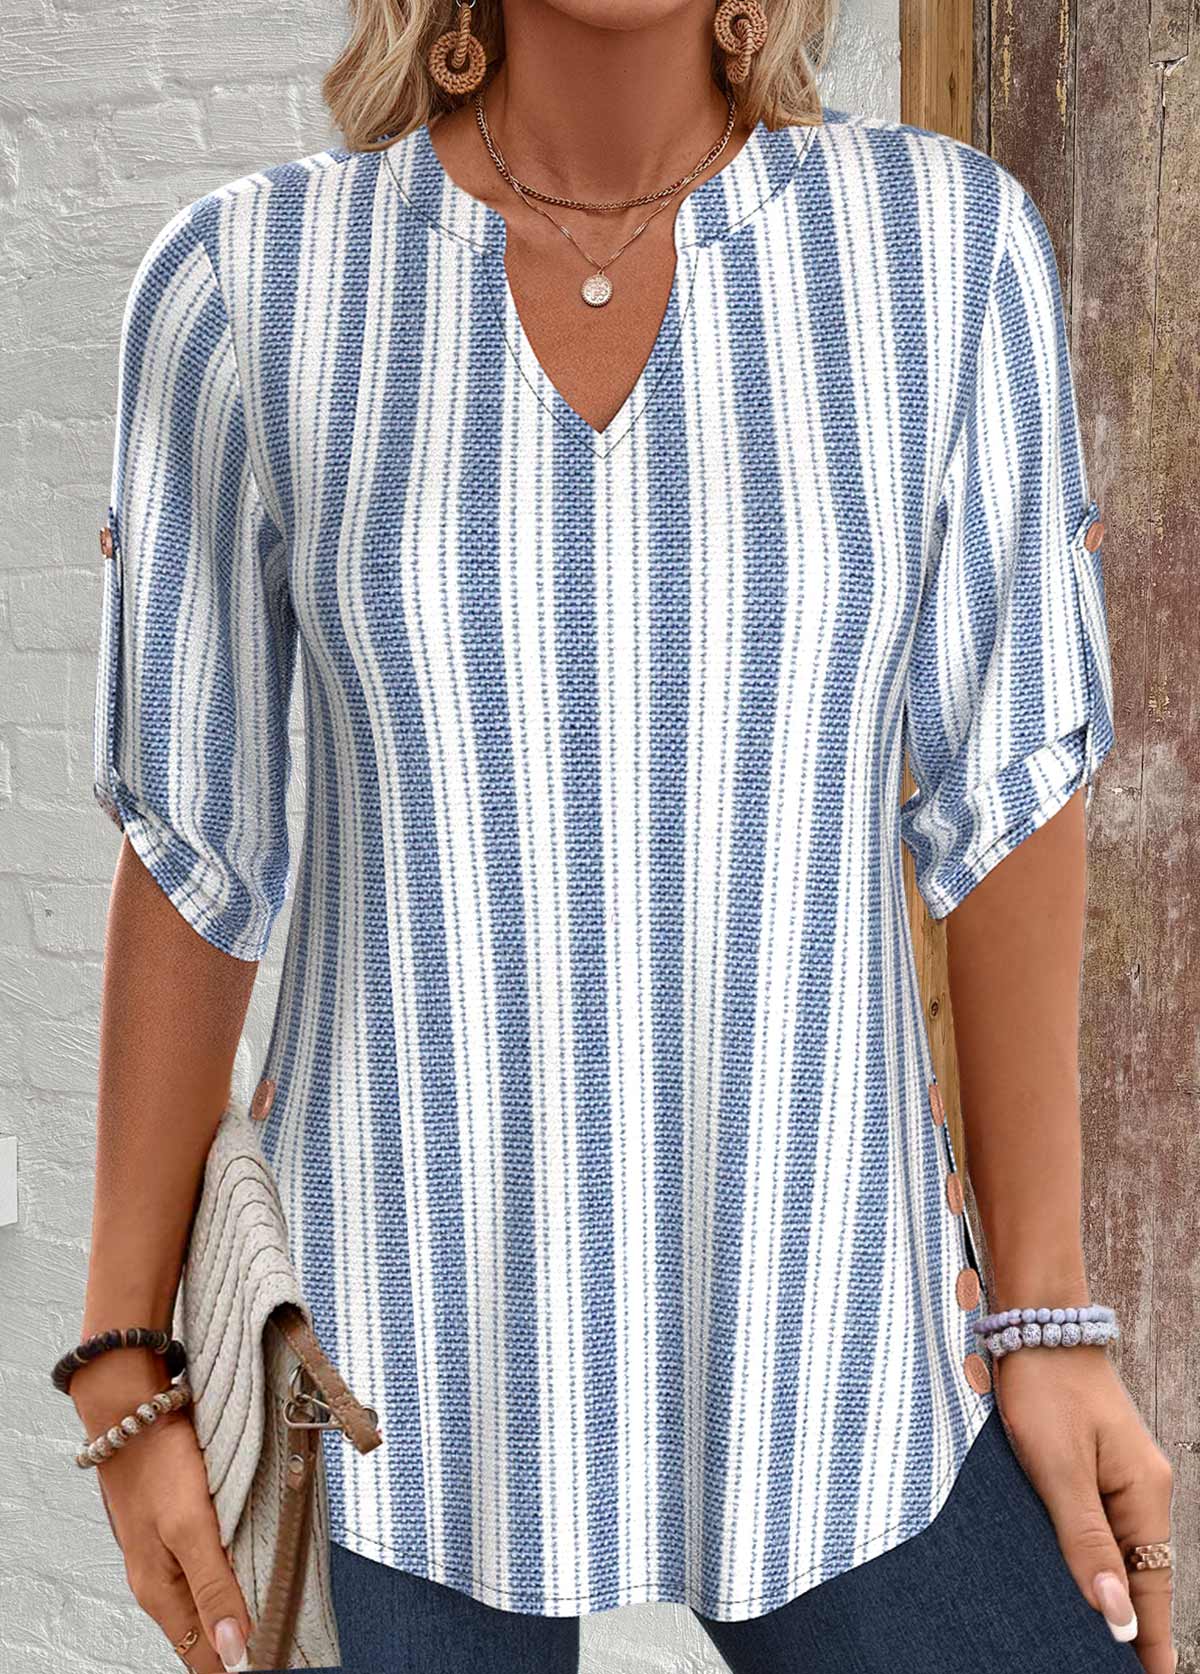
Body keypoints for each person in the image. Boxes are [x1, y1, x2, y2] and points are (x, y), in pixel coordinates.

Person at [66, 0, 1177, 1670]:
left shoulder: (943, 256)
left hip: (839, 1343)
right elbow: (194, 847)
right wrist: (123, 1362)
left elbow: (1010, 791)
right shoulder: (248, 287)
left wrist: (1048, 1320)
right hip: (384, 1382)